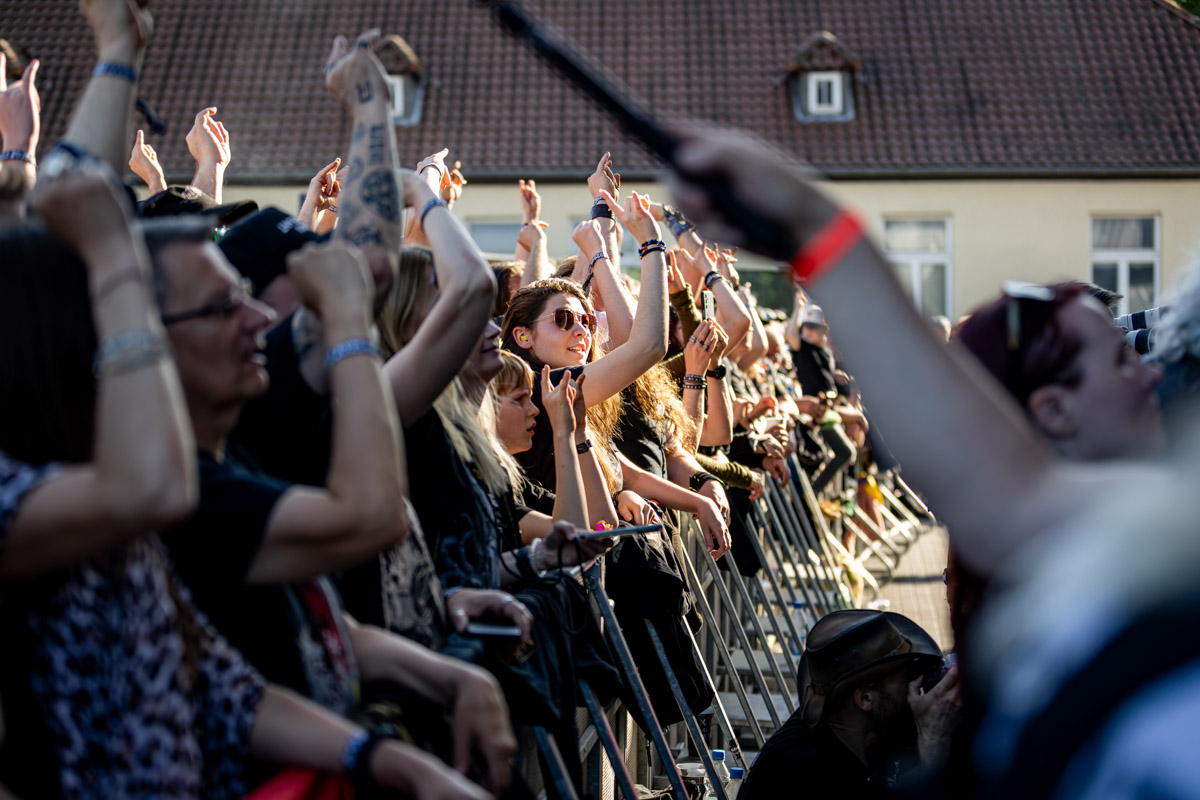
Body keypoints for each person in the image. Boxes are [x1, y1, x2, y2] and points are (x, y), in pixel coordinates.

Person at [738, 610, 962, 800]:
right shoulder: (804, 772)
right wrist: (934, 745)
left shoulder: (868, 727)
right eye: (907, 676)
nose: (917, 683)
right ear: (865, 698)